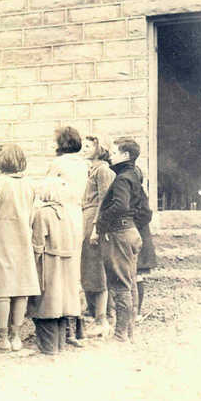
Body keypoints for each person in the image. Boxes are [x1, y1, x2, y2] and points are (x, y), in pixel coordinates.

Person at [0, 144, 40, 352]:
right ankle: (16, 337)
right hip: (22, 238)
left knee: (2, 289)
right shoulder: (30, 185)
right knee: (21, 289)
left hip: (0, 238)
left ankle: (1, 339)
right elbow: (32, 215)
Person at [96, 138, 144, 342]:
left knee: (120, 285)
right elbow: (144, 209)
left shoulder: (123, 178)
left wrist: (102, 223)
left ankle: (120, 335)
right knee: (130, 282)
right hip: (131, 231)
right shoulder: (135, 175)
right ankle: (130, 333)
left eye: (114, 152)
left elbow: (120, 206)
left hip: (120, 234)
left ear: (125, 156)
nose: (110, 155)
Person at [28, 177, 82, 355]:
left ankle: (48, 347)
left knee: (47, 303)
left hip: (49, 262)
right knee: (62, 304)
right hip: (67, 262)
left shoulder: (42, 213)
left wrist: (32, 264)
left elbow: (37, 243)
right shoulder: (67, 213)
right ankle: (59, 345)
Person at [47, 126, 89, 347]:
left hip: (61, 216)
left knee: (60, 271)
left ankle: (63, 328)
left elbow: (48, 189)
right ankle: (77, 327)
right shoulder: (84, 164)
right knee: (75, 271)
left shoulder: (59, 165)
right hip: (77, 216)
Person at [80, 136, 115, 339]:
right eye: (83, 146)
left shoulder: (103, 171)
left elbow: (104, 201)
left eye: (88, 146)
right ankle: (94, 315)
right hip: (86, 218)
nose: (84, 149)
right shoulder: (91, 170)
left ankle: (102, 319)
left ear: (99, 149)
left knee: (97, 271)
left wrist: (96, 228)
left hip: (94, 220)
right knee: (88, 270)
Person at [134, 166, 157, 322]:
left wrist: (130, 225)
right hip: (134, 236)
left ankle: (137, 313)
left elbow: (146, 214)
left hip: (139, 238)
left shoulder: (138, 193)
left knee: (137, 276)